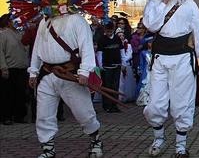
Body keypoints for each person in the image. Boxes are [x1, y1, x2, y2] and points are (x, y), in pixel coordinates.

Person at [142, 0, 199, 157]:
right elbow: (152, 25)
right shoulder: (153, 3)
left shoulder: (188, 4)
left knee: (181, 103)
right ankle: (158, 138)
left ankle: (180, 145)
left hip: (182, 59)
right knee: (155, 103)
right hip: (159, 58)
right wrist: (164, 1)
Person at [29, 13, 104, 158]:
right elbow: (37, 48)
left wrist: (84, 71)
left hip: (70, 74)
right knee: (44, 115)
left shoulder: (77, 20)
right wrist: (33, 71)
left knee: (84, 112)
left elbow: (86, 45)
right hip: (47, 74)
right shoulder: (44, 21)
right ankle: (48, 149)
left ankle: (96, 141)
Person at [0, 14, 30, 125]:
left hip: (22, 68)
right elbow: (0, 52)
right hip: (10, 68)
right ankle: (6, 116)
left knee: (20, 93)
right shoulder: (3, 34)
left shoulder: (20, 33)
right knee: (7, 94)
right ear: (8, 22)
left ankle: (19, 116)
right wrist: (3, 68)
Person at [97, 22, 123, 113]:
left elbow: (121, 51)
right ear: (105, 30)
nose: (109, 33)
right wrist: (100, 65)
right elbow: (99, 53)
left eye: (111, 31)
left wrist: (123, 63)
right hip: (106, 66)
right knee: (107, 86)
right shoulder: (102, 40)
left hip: (117, 65)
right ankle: (107, 105)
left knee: (115, 86)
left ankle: (114, 105)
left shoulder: (117, 39)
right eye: (107, 31)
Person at [117, 31, 136, 103]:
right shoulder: (116, 45)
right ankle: (119, 96)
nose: (121, 37)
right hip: (119, 64)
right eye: (119, 35)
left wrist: (123, 60)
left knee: (127, 81)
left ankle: (126, 96)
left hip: (126, 64)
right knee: (120, 82)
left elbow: (129, 55)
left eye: (122, 35)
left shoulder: (128, 45)